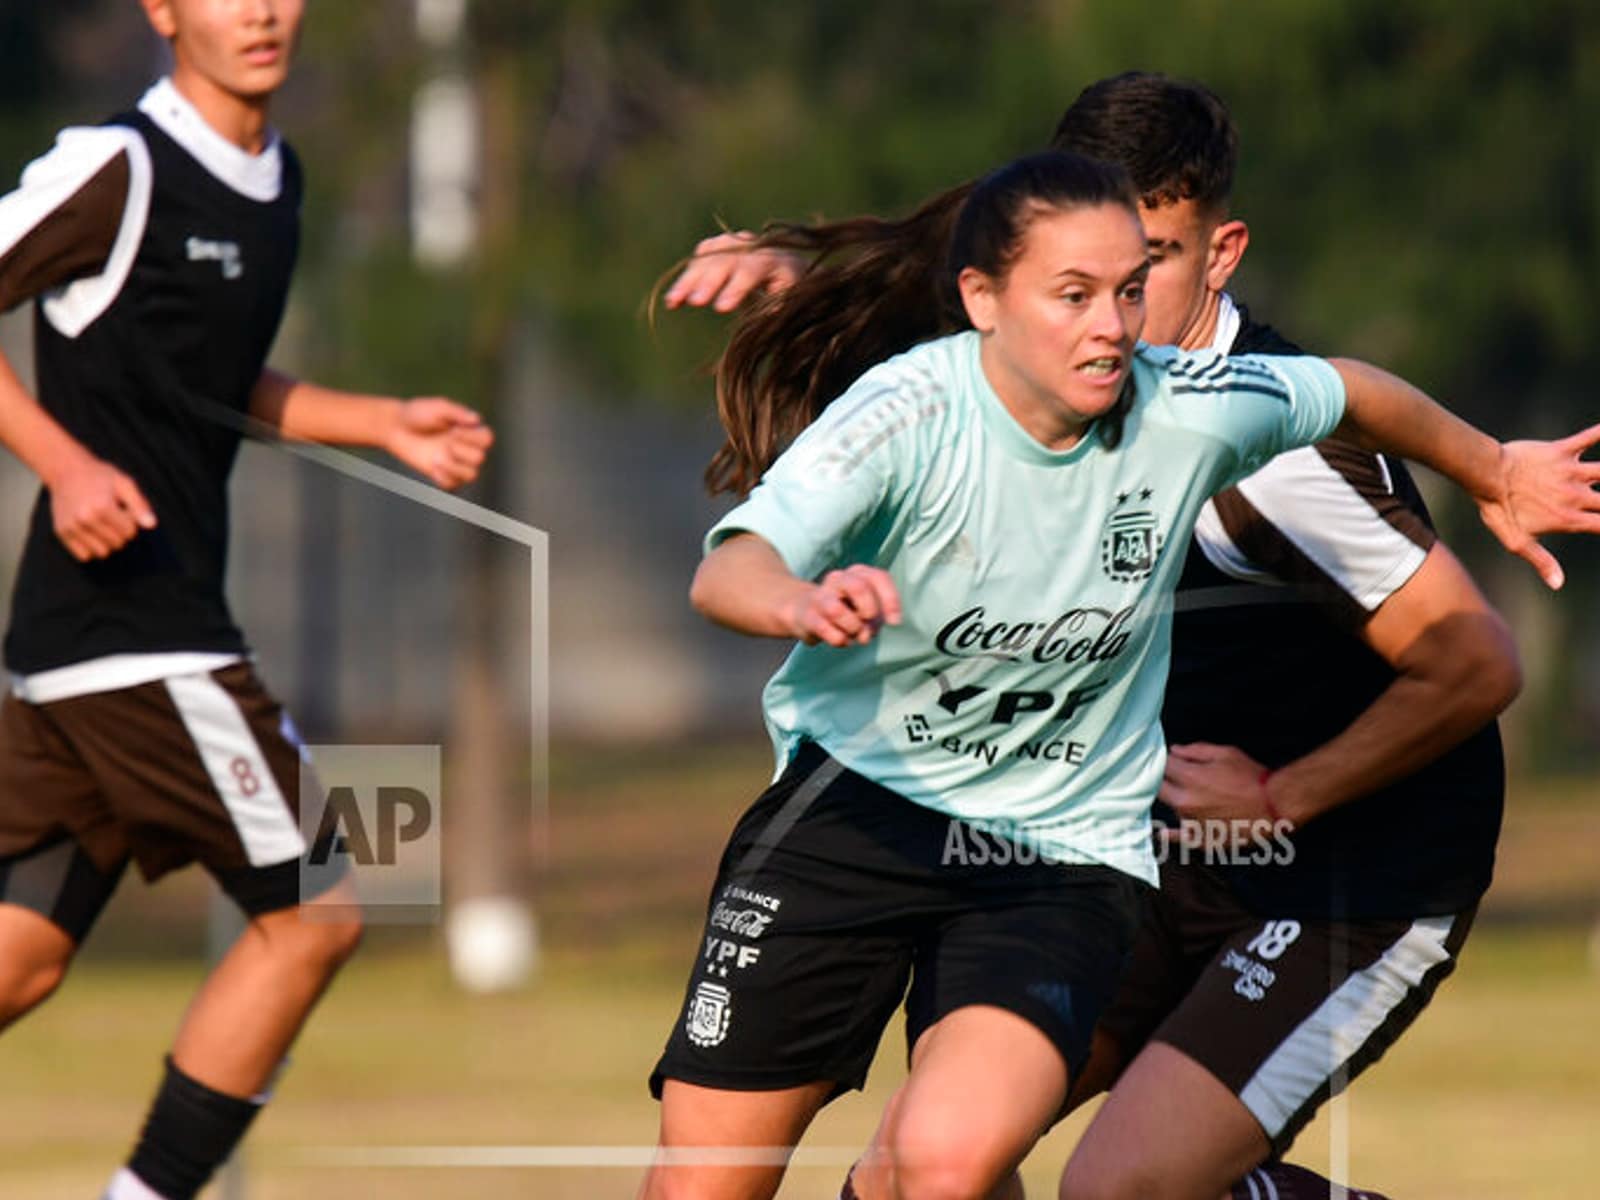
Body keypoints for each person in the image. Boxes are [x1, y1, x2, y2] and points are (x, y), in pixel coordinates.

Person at [660, 72, 1574, 1200]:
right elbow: (944, 279)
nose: (1109, 314)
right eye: (1081, 280)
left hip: (1350, 872)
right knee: (914, 1170)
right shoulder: (1056, 323)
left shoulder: (1262, 446)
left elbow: (1476, 661)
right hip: (1150, 851)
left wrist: (1285, 795)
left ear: (1217, 254)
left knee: (1119, 1191)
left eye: (1144, 273)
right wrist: (804, 277)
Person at [0, 3, 492, 1199]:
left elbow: (214, 384)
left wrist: (376, 421)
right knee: (317, 912)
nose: (262, 10)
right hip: (137, 639)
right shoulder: (113, 167)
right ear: (162, 11)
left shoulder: (275, 178)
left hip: (91, 653)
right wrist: (61, 464)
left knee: (19, 962)